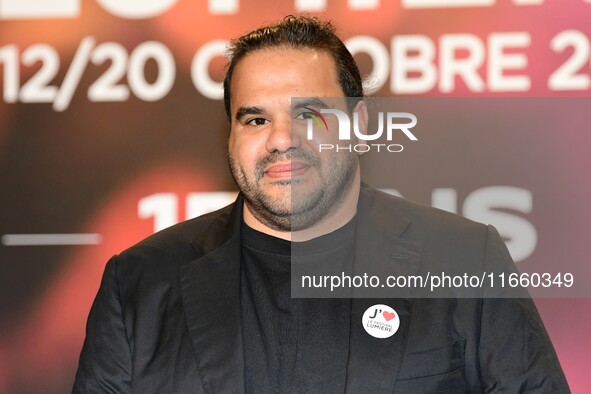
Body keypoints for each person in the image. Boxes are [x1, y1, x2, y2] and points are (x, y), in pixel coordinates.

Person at [73, 15, 570, 393]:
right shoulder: (138, 282)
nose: (281, 140)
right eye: (255, 120)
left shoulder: (465, 259)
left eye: (309, 114)